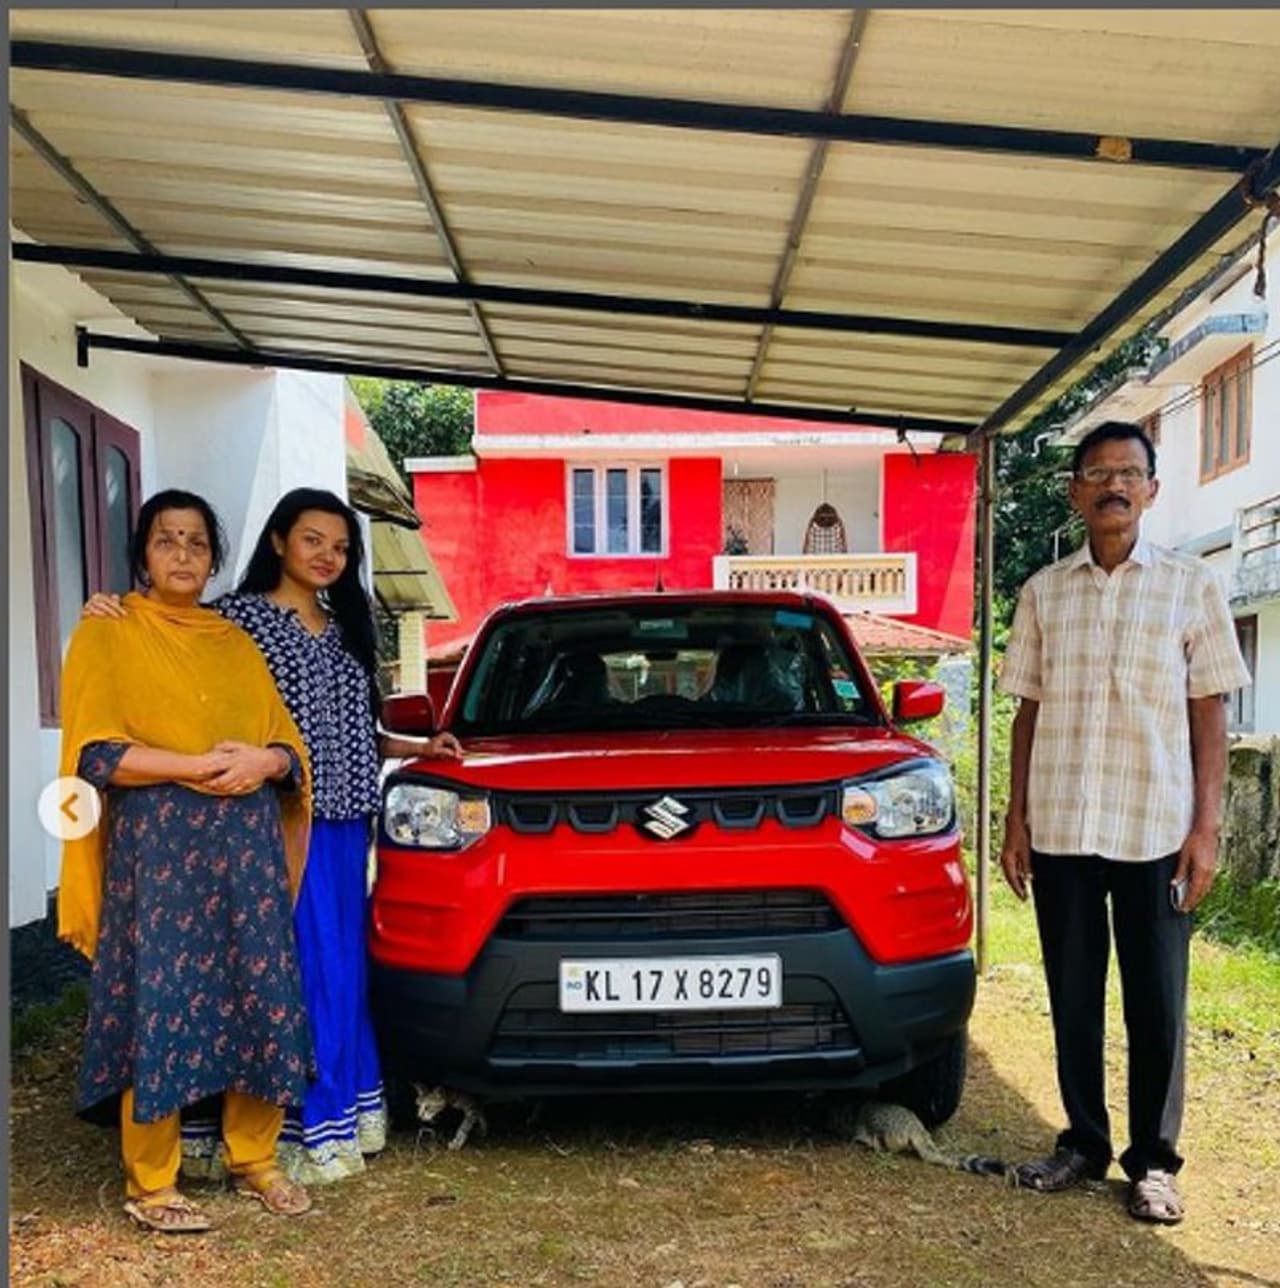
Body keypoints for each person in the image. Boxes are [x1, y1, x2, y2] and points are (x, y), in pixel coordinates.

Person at [86, 487, 461, 1185]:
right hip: (273, 822)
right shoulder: (238, 621)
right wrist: (107, 605)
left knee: (341, 971)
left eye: (341, 547)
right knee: (285, 973)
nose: (327, 556)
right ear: (280, 541)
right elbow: (172, 642)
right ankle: (284, 1131)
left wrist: (419, 746)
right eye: (312, 539)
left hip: (347, 821)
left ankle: (339, 1118)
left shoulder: (346, 628)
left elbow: (355, 730)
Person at [997, 421, 1250, 1224]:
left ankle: (1155, 1163)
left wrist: (1205, 830)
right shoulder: (1043, 591)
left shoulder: (1191, 586)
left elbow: (1208, 710)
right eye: (1098, 473)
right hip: (1063, 825)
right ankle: (1082, 1142)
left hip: (1155, 828)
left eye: (1129, 472)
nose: (1114, 485)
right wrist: (1016, 818)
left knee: (1156, 1003)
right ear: (1075, 492)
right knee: (1073, 994)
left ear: (1152, 489)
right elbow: (1028, 712)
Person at [59, 489, 314, 1233]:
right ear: (143, 553)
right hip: (160, 855)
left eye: (197, 543)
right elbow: (96, 754)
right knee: (161, 1001)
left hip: (246, 854)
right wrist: (196, 765)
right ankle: (152, 1181)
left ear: (213, 559)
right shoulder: (109, 631)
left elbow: (287, 746)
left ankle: (255, 1159)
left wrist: (266, 761)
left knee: (258, 991)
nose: (182, 554)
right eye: (167, 540)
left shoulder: (234, 642)